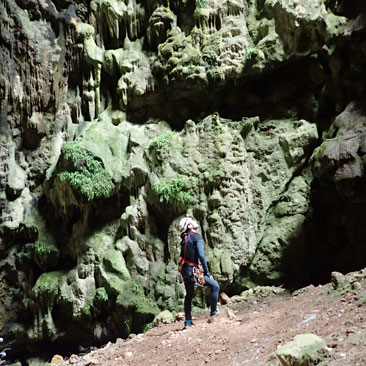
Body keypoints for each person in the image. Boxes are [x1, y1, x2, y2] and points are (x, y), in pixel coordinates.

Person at [179, 217, 220, 329]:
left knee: (189, 295)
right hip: (194, 271)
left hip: (186, 271)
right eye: (191, 220)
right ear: (189, 226)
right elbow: (201, 256)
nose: (194, 221)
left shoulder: (184, 239)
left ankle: (188, 321)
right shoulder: (196, 237)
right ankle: (214, 312)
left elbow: (183, 256)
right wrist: (207, 272)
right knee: (215, 286)